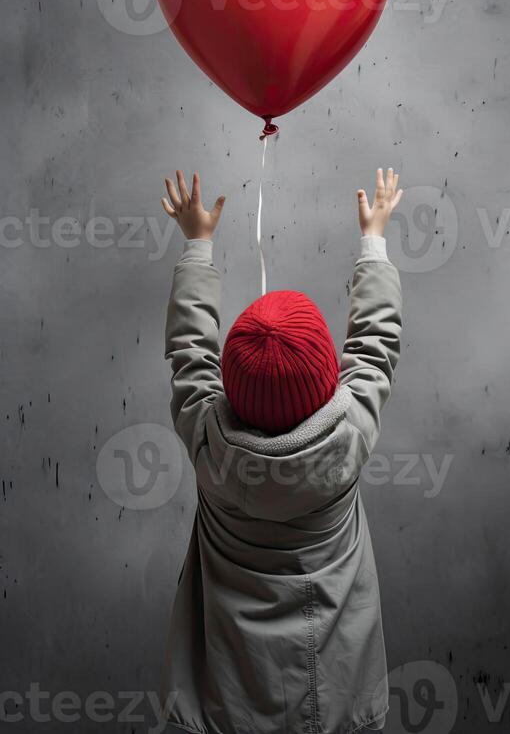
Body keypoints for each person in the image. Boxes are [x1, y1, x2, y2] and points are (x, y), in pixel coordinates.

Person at [159, 167, 403, 734]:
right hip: (337, 701)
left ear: (231, 386)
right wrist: (374, 239)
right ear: (328, 378)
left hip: (229, 700)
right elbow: (375, 344)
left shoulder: (207, 438)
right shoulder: (350, 434)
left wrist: (197, 246)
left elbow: (189, 351)